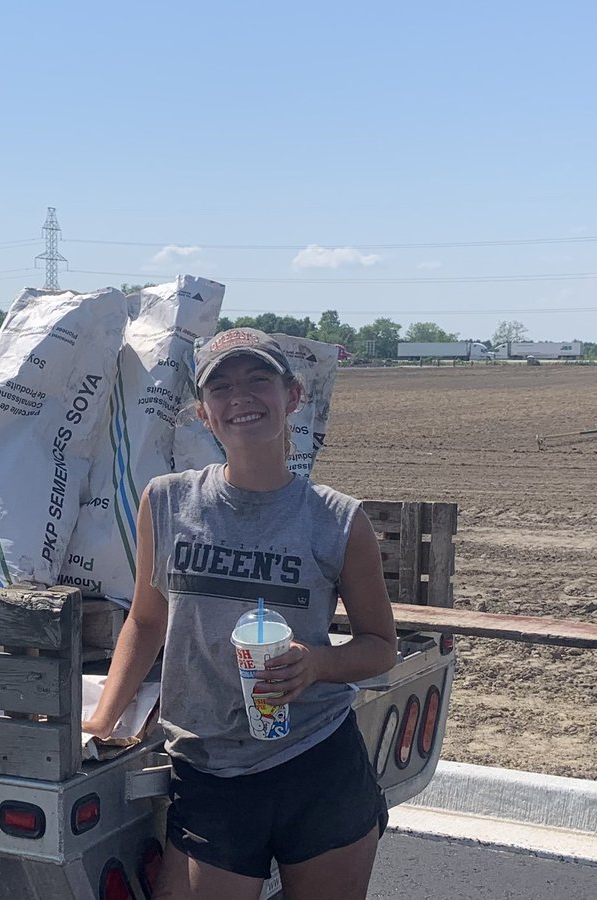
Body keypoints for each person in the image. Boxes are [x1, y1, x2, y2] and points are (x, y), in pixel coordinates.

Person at [83, 327, 397, 900]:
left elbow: (380, 645)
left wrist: (314, 664)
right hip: (209, 768)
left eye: (258, 380)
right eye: (222, 387)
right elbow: (147, 620)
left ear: (292, 395)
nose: (240, 397)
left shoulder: (337, 520)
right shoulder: (168, 501)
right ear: (204, 413)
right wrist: (105, 717)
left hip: (317, 762)